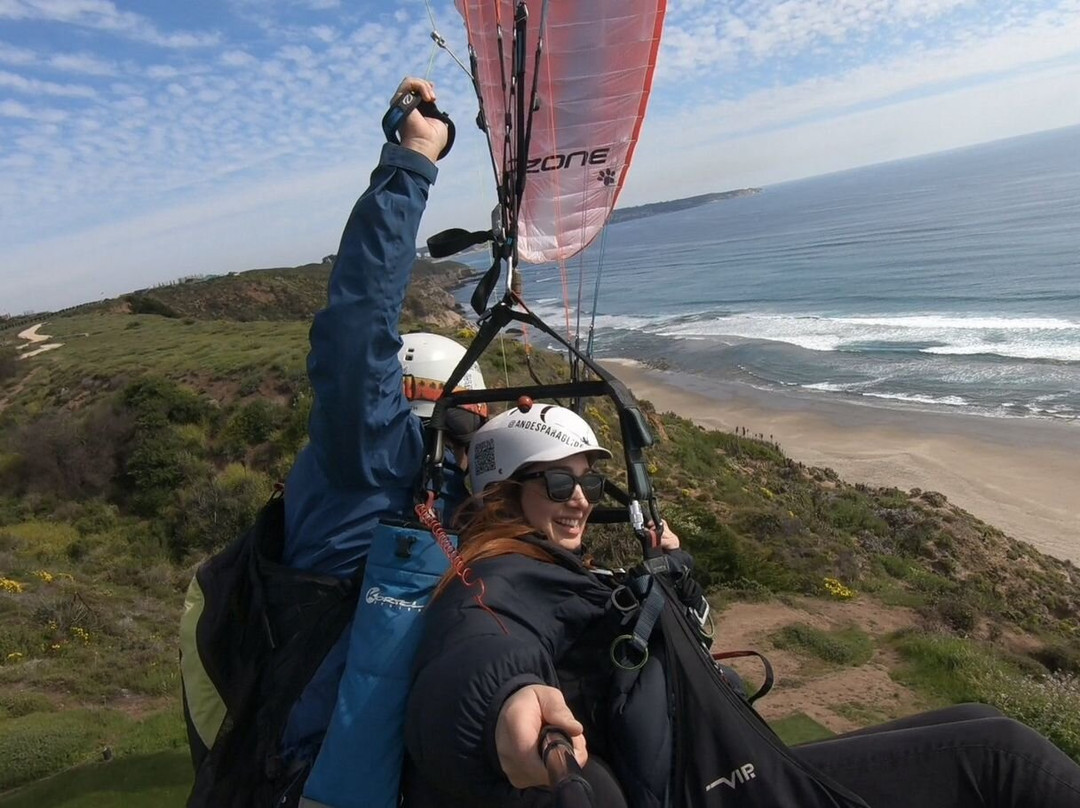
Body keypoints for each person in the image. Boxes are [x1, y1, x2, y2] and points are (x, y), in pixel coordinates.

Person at [403, 402, 1080, 807]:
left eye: (589, 482)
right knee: (1005, 754)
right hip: (709, 789)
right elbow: (476, 645)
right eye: (558, 482)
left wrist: (672, 573)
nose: (581, 499)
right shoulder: (497, 579)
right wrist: (504, 704)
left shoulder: (557, 571)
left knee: (976, 713)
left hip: (714, 764)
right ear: (503, 498)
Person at [277, 77, 483, 797]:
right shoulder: (373, 454)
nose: (471, 434)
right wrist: (412, 162)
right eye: (466, 417)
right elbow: (360, 319)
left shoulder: (437, 480)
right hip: (333, 757)